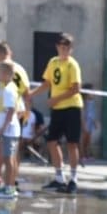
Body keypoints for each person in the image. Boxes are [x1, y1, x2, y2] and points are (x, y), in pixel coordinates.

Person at [27, 32, 83, 194]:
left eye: (67, 47)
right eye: (61, 46)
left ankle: (74, 179)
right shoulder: (53, 62)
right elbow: (47, 83)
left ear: (71, 49)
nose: (64, 50)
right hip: (58, 109)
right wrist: (32, 93)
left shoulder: (72, 65)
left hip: (72, 107)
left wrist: (56, 99)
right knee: (52, 141)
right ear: (57, 47)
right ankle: (59, 178)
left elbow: (76, 88)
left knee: (72, 143)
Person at [0, 41, 31, 178]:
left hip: (4, 112)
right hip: (19, 110)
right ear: (9, 52)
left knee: (1, 149)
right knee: (14, 149)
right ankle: (13, 180)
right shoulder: (20, 68)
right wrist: (27, 111)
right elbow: (27, 93)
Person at [0, 62, 24, 199]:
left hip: (8, 130)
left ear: (6, 74)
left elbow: (11, 110)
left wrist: (3, 128)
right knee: (11, 158)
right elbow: (19, 111)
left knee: (8, 159)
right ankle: (9, 186)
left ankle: (9, 189)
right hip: (12, 129)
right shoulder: (11, 88)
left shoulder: (8, 89)